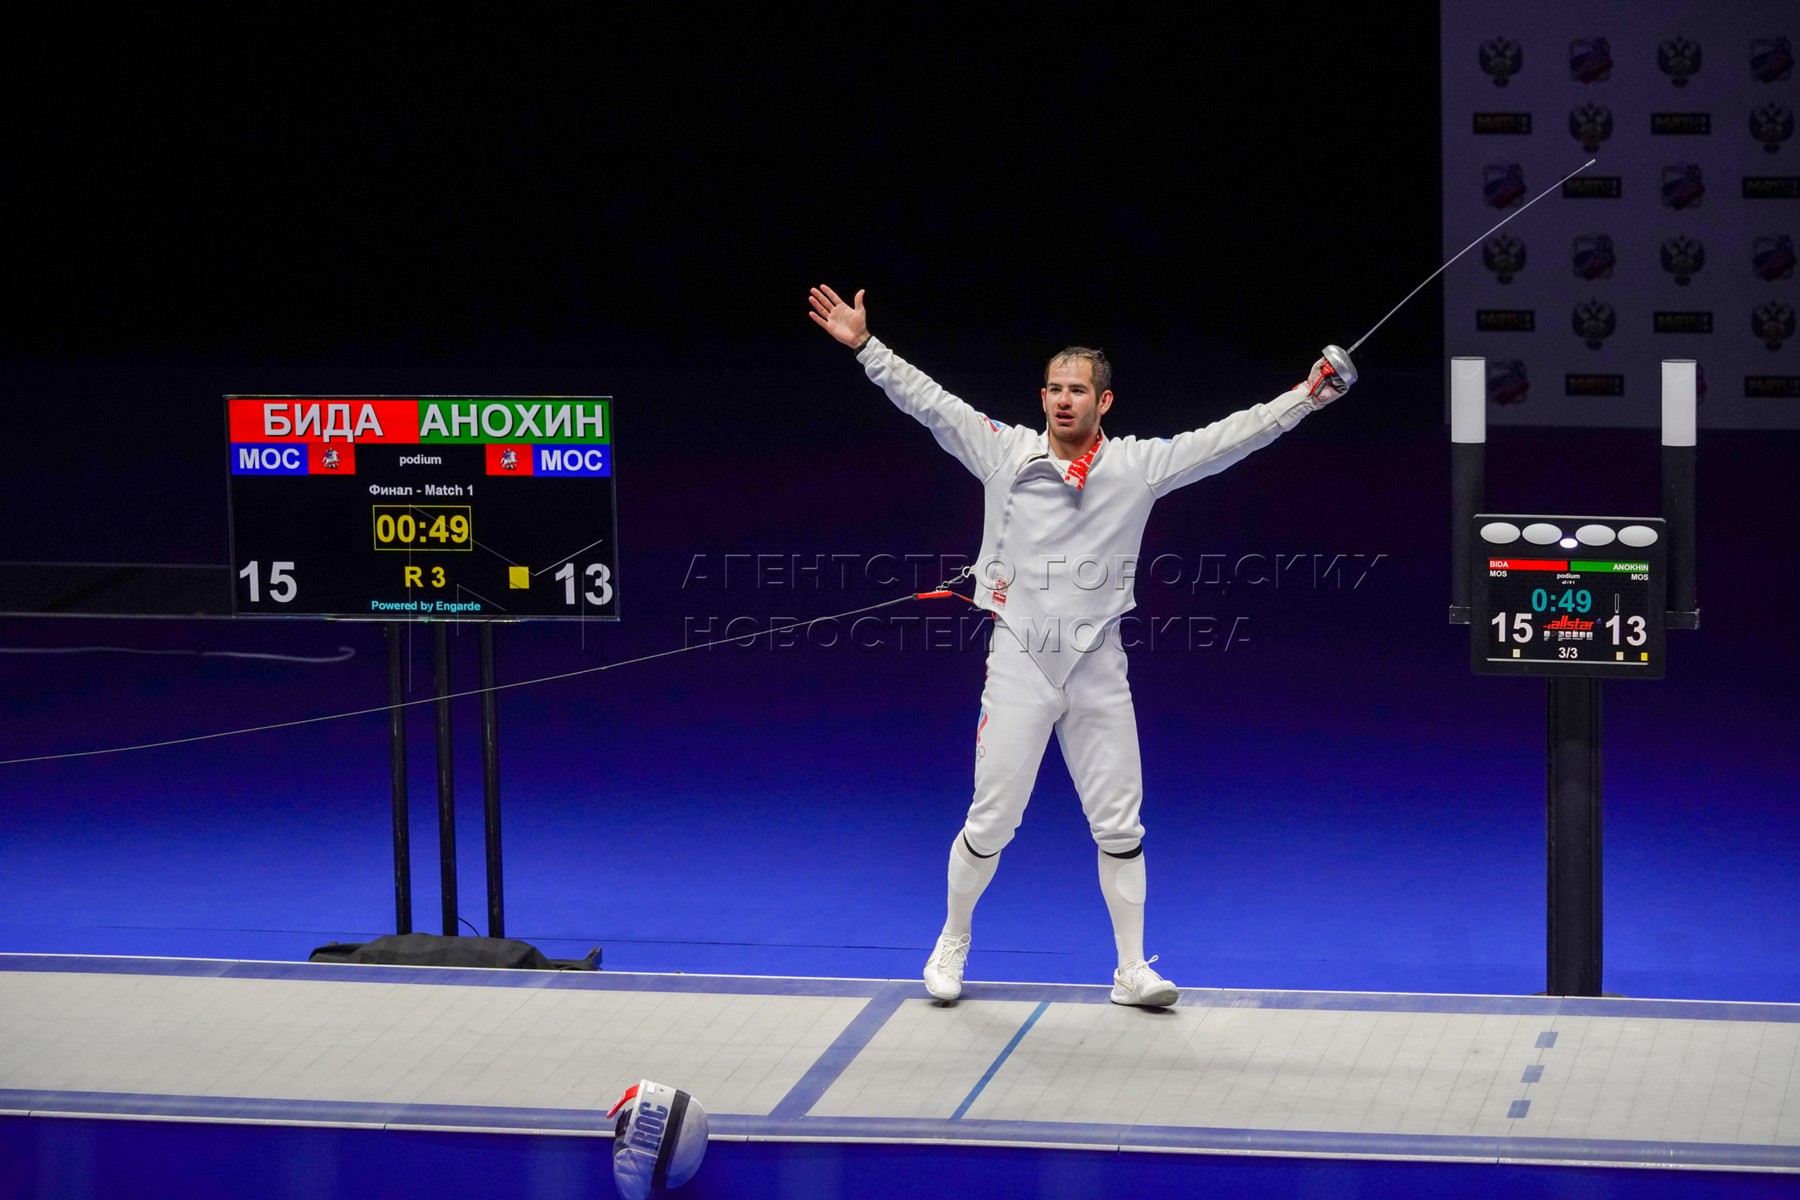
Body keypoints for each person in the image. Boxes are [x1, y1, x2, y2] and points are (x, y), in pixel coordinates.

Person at [808, 284, 1347, 1006]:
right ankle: (952, 939)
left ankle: (1130, 969)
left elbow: (1231, 437)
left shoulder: (1137, 467)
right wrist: (866, 347)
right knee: (992, 819)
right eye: (1055, 389)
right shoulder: (1003, 451)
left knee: (1120, 824)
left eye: (1078, 390)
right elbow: (929, 402)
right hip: (1020, 660)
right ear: (1043, 397)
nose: (1064, 401)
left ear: (1104, 401)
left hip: (1097, 666)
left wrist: (1308, 397)